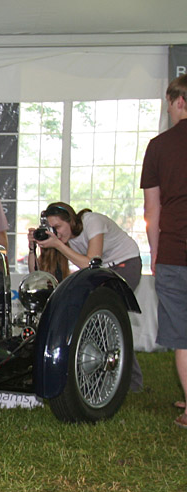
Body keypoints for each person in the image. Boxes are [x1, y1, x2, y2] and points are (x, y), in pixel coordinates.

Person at [30, 201, 144, 391]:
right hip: (103, 270)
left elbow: (92, 262)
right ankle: (110, 376)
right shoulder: (63, 240)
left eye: (58, 227)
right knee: (103, 323)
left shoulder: (93, 221)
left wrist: (57, 243)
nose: (56, 233)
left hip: (126, 263)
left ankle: (129, 381)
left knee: (108, 320)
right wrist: (33, 248)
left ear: (71, 221)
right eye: (52, 229)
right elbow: (39, 274)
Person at [142, 74, 187, 427]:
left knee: (183, 334)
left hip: (175, 250)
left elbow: (152, 209)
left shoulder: (158, 146)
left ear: (178, 102)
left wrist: (155, 254)